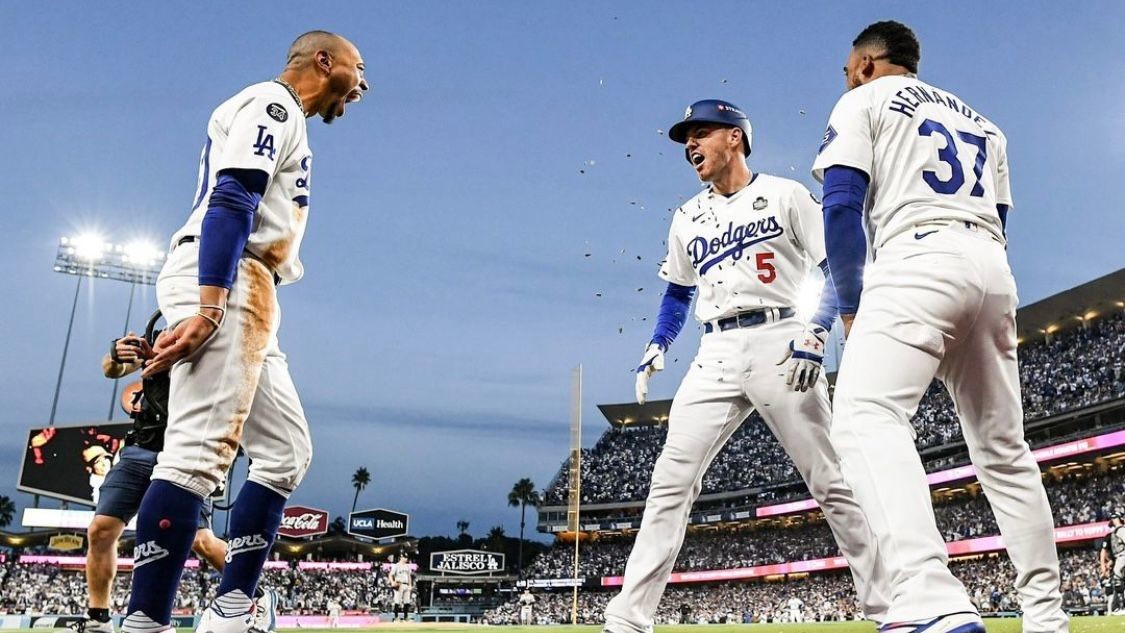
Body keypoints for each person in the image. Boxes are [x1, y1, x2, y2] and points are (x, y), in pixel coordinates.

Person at [811, 20, 1067, 633]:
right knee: (1005, 451)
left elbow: (842, 203)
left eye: (849, 65)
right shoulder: (985, 122)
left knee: (866, 412)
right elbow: (998, 218)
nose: (845, 75)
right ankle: (1047, 618)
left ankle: (929, 598)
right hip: (991, 264)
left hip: (916, 256)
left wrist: (850, 303)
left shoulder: (863, 100)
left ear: (870, 62)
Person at [602, 99, 889, 633]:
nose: (690, 143)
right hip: (714, 351)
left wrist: (817, 329)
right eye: (686, 137)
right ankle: (628, 618)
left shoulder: (785, 195)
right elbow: (677, 292)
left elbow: (837, 266)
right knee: (670, 482)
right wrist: (658, 342)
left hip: (781, 337)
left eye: (700, 132)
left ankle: (886, 608)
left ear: (735, 137)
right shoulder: (687, 215)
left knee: (828, 479)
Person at [120, 30, 368, 633]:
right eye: (359, 70)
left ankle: (232, 610)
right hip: (228, 276)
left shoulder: (290, 119)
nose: (363, 85)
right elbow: (233, 196)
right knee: (196, 458)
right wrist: (209, 306)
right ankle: (143, 622)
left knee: (285, 451)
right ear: (324, 61)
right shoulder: (273, 103)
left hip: (246, 283)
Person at [68, 324, 231, 633]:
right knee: (100, 531)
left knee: (200, 540)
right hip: (140, 447)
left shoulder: (215, 329)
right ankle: (98, 619)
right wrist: (117, 354)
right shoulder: (161, 331)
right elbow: (112, 368)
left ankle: (254, 595)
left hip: (184, 451)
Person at [1101, 513, 1125, 613]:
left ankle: (1121, 608)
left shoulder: (1121, 530)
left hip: (1122, 555)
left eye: (1113, 518)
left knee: (1117, 580)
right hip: (1119, 557)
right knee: (1119, 581)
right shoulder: (1115, 532)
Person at [390, 553, 414, 622]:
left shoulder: (407, 566)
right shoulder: (396, 565)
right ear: (401, 557)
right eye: (404, 557)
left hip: (406, 584)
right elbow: (390, 575)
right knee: (397, 601)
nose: (406, 559)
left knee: (407, 601)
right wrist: (392, 582)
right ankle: (396, 617)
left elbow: (409, 576)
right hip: (399, 584)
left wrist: (410, 585)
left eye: (406, 557)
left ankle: (406, 617)